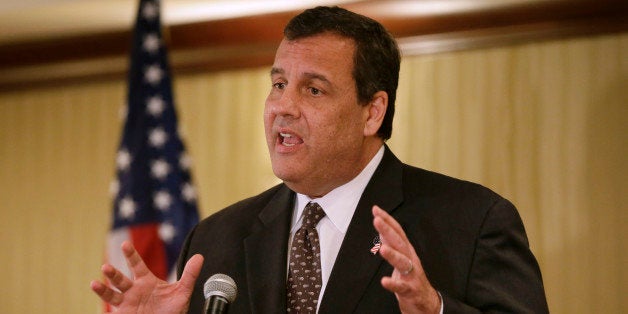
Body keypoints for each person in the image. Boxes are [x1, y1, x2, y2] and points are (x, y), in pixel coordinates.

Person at [91, 6, 549, 313]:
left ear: (372, 112)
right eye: (277, 84)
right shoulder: (216, 240)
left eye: (313, 89)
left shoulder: (471, 223)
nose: (283, 107)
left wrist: (437, 310)